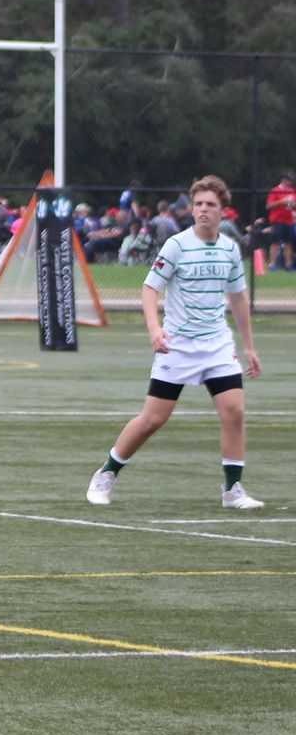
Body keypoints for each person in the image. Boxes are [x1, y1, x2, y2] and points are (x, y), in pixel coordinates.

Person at [87, 176, 264, 510]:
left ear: (223, 211)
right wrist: (155, 329)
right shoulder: (177, 245)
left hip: (216, 345)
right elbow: (150, 288)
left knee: (234, 412)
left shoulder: (229, 248)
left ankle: (233, 490)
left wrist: (249, 346)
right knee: (154, 419)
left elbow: (239, 298)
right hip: (178, 345)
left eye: (210, 204)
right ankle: (106, 473)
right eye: (198, 204)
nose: (203, 210)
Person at [267, 173, 296, 271]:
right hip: (277, 220)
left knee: (288, 243)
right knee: (275, 242)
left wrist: (292, 205)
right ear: (283, 180)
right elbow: (269, 206)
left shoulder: (292, 191)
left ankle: (288, 265)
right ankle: (272, 264)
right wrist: (281, 202)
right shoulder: (275, 190)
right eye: (288, 180)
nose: (290, 182)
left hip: (289, 220)